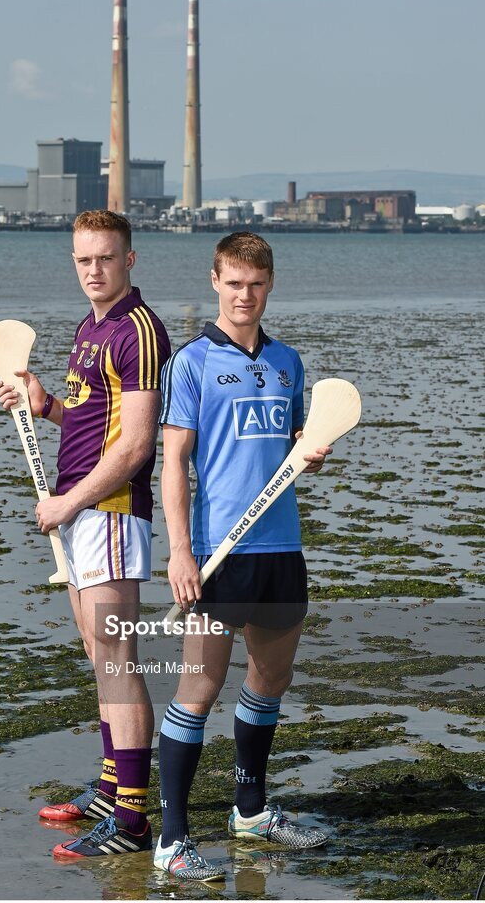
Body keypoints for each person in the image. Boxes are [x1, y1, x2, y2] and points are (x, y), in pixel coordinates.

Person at [153, 232, 332, 882]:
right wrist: (178, 553)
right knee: (197, 690)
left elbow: (290, 449)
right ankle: (172, 841)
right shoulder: (193, 363)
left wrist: (311, 454)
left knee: (270, 679)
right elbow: (173, 463)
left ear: (270, 285)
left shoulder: (288, 362)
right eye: (233, 282)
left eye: (255, 284)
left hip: (282, 545)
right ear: (214, 282)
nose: (244, 295)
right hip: (216, 551)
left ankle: (251, 812)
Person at [0, 210, 170, 860]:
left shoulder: (139, 330)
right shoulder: (89, 326)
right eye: (83, 261)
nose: (93, 271)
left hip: (112, 512)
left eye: (104, 258)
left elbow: (135, 445)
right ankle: (107, 788)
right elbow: (92, 422)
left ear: (130, 259)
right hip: (78, 517)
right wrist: (45, 406)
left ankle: (130, 821)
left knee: (119, 665)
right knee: (101, 659)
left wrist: (68, 501)